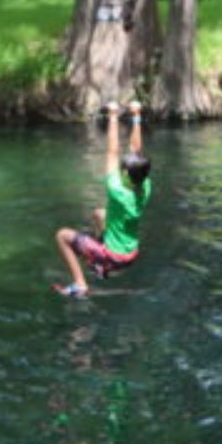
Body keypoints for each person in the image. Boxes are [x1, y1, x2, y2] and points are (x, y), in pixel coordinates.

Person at [52, 100, 152, 299]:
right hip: (131, 254)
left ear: (125, 175)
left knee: (62, 235)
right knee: (99, 214)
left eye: (123, 169)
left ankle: (81, 284)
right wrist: (136, 117)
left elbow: (112, 152)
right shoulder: (146, 186)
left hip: (114, 257)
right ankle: (98, 263)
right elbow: (136, 151)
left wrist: (113, 116)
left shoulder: (117, 190)